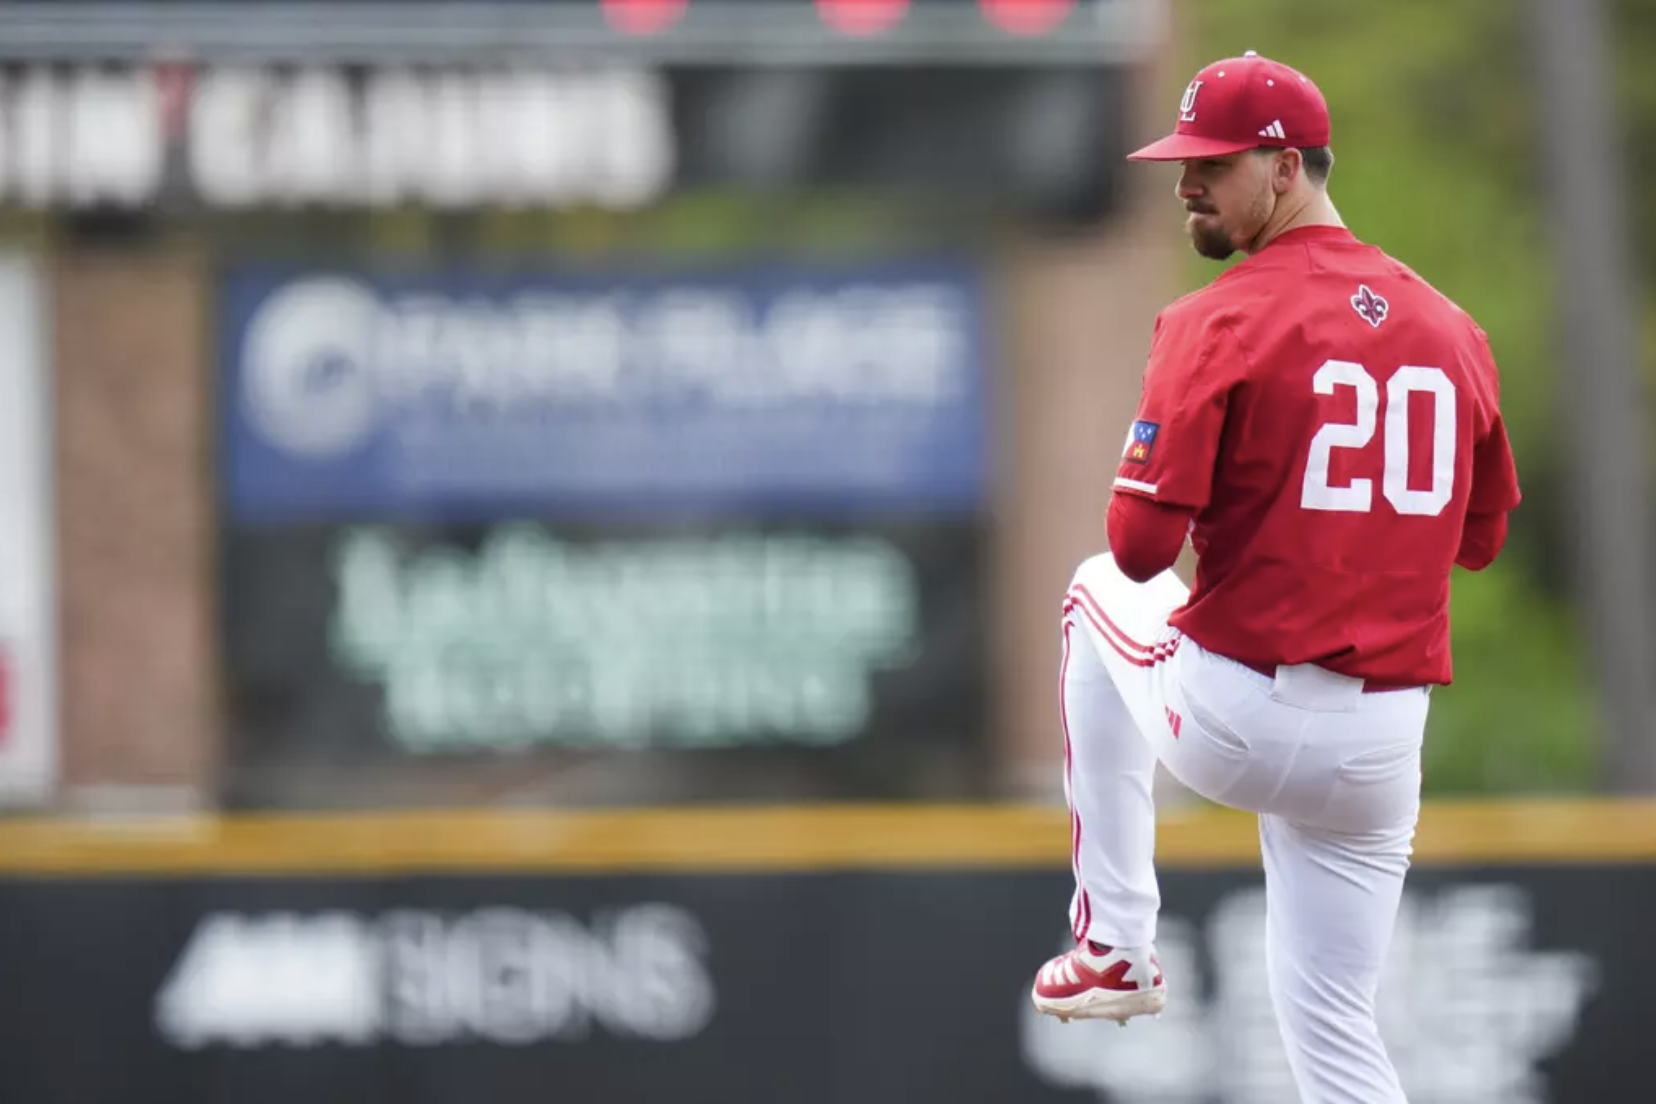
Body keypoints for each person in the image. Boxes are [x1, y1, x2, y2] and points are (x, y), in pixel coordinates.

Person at [1026, 50, 1522, 1104]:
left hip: (1238, 718)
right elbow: (1477, 541)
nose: (1186, 184)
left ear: (1284, 166)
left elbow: (1139, 554)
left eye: (1212, 162)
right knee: (1339, 1043)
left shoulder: (1216, 318)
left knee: (1086, 594)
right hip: (1381, 748)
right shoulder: (1453, 330)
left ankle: (1113, 942)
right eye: (1183, 160)